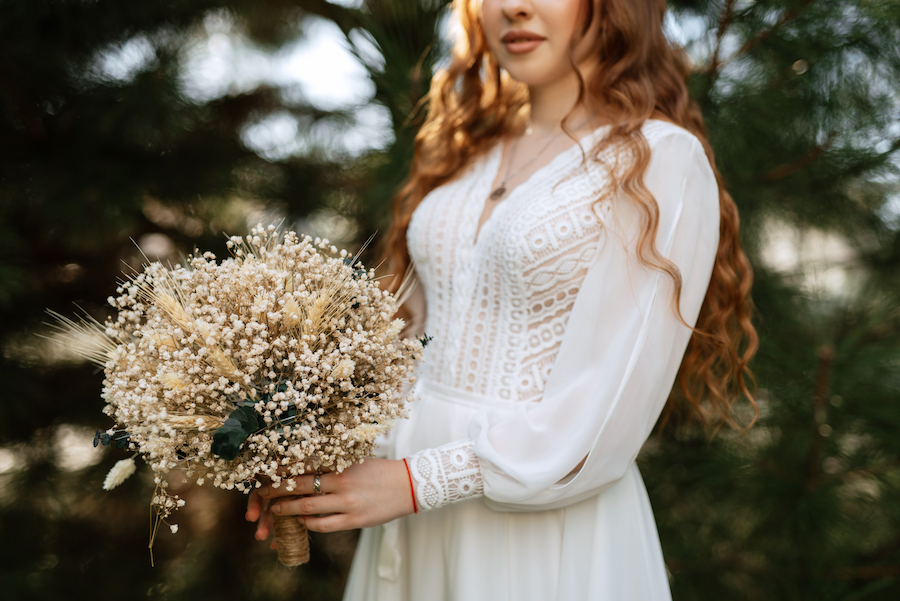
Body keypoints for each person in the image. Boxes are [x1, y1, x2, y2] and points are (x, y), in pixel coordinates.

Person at [246, 0, 757, 598]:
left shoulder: (657, 158)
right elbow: (411, 351)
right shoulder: (466, 149)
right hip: (405, 518)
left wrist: (419, 481)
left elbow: (607, 404)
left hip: (541, 531)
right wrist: (315, 449)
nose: (515, 6)